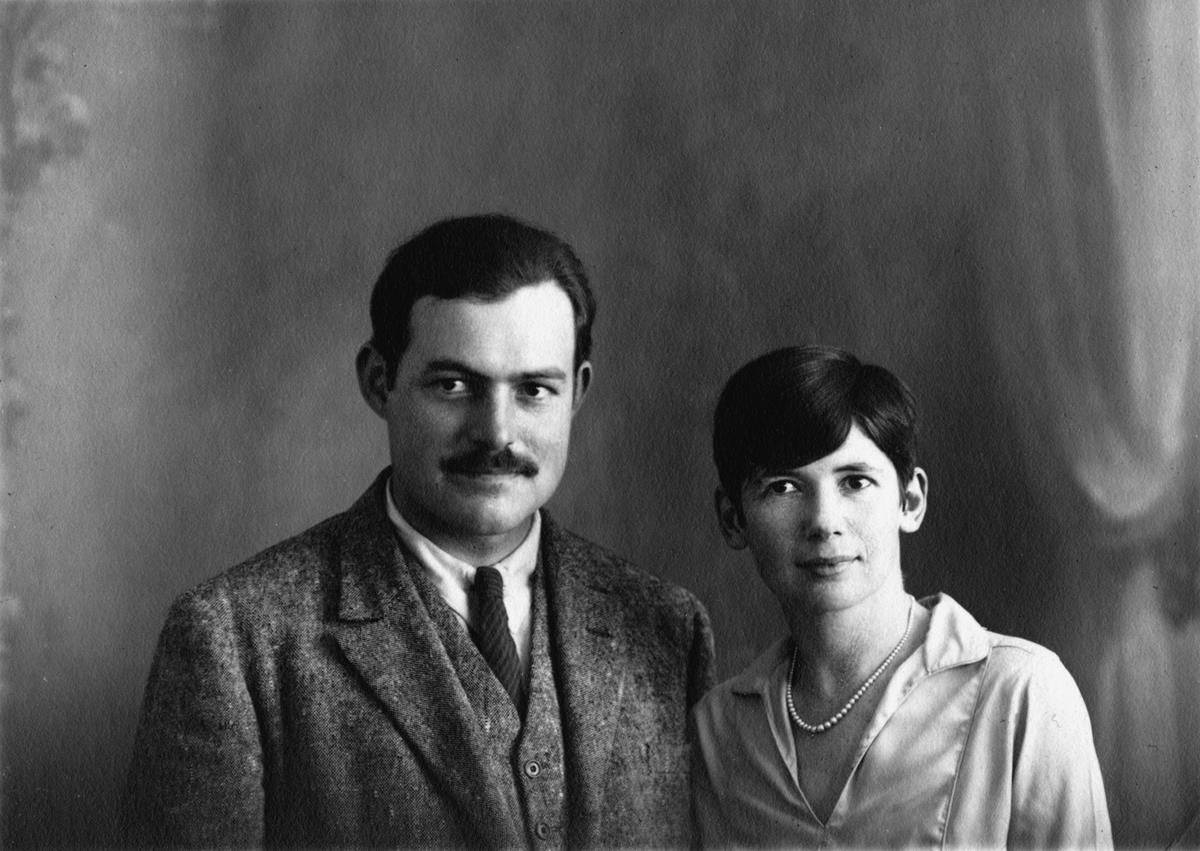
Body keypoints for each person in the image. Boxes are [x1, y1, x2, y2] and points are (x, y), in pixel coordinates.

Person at [121, 214, 715, 848]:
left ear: (577, 394)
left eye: (535, 390)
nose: (496, 433)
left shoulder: (665, 629)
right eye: (454, 385)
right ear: (380, 382)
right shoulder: (234, 644)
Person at [691, 345, 1111, 848]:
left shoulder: (1020, 693)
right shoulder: (718, 733)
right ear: (733, 518)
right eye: (783, 487)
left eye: (855, 482)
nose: (825, 521)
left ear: (909, 501)